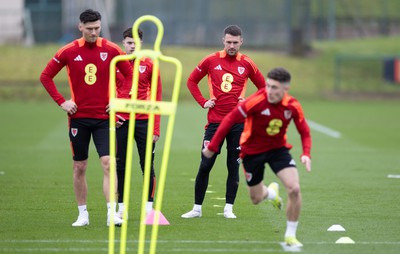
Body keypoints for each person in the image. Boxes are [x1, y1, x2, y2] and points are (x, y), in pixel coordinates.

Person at [39, 9, 133, 227]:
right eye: (89, 28)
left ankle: (112, 213)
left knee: (109, 163)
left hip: (104, 118)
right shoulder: (68, 51)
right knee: (79, 166)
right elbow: (45, 76)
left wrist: (119, 100)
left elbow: (130, 76)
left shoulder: (112, 49)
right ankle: (83, 214)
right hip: (78, 118)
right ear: (80, 27)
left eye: (97, 28)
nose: (94, 32)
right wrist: (62, 101)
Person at [202, 67, 312, 247]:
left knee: (294, 189)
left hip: (278, 150)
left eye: (274, 88)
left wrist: (306, 153)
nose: (269, 91)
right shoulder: (256, 101)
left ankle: (290, 235)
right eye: (268, 86)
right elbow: (230, 119)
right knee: (256, 198)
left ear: (286, 89)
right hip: (252, 152)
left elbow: (304, 131)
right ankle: (270, 193)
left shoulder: (292, 105)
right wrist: (213, 146)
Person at [182, 25, 266, 219]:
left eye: (235, 42)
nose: (231, 46)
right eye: (228, 42)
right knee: (205, 164)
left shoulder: (247, 63)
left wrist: (249, 102)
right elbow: (191, 81)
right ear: (223, 40)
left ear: (241, 42)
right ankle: (196, 209)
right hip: (214, 123)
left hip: (238, 124)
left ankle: (228, 208)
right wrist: (204, 102)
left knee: (233, 166)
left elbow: (263, 88)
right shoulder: (211, 60)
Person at [114, 27, 162, 219]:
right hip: (121, 121)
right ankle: (121, 207)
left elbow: (157, 96)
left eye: (135, 42)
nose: (132, 45)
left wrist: (156, 127)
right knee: (120, 165)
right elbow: (108, 91)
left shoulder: (150, 64)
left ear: (141, 43)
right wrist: (113, 116)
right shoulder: (116, 63)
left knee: (147, 164)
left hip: (144, 121)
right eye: (128, 42)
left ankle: (149, 208)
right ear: (123, 43)